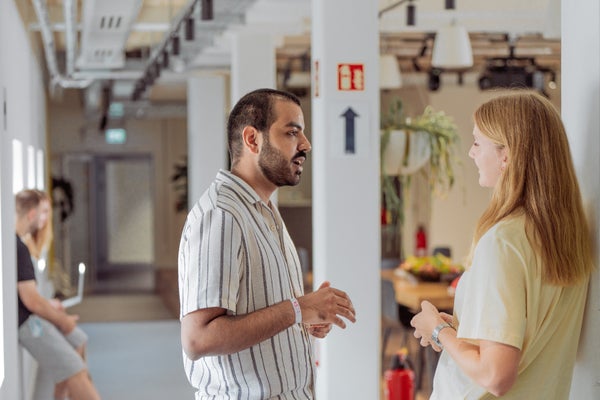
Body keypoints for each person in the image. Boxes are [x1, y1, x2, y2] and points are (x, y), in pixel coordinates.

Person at [410, 90, 593, 399]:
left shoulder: (503, 242)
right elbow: (532, 335)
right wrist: (463, 329)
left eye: (477, 142)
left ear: (506, 155)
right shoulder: (566, 238)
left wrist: (438, 329)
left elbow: (496, 375)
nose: (471, 153)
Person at [178, 88, 356, 398]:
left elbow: (264, 311)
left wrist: (304, 318)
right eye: (292, 133)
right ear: (252, 139)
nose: (305, 145)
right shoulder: (222, 214)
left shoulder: (263, 210)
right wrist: (299, 309)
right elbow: (199, 339)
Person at [16, 189, 101, 400]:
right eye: (44, 212)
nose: (47, 218)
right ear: (32, 214)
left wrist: (52, 309)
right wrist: (64, 321)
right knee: (76, 369)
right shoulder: (17, 248)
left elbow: (30, 297)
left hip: (31, 317)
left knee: (78, 340)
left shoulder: (20, 245)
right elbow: (31, 301)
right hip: (28, 324)